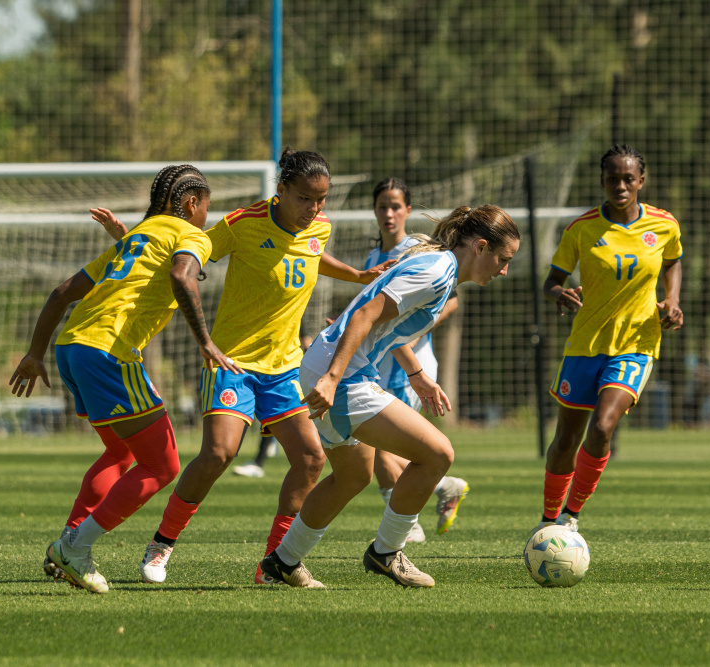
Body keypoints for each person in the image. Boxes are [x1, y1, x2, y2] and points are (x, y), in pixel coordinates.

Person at [92, 148, 393, 585]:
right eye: (306, 198)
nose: (315, 209)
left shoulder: (320, 228)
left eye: (321, 200)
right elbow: (188, 249)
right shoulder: (243, 223)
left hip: (286, 368)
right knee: (219, 453)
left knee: (310, 460)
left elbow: (310, 256)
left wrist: (357, 275)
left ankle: (274, 563)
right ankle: (161, 544)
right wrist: (131, 240)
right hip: (231, 361)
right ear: (282, 189)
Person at [260, 205, 520, 588]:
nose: (504, 270)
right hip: (340, 373)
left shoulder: (438, 266)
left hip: (330, 363)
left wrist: (416, 374)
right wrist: (333, 378)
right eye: (503, 259)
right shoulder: (436, 271)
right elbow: (366, 314)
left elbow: (386, 322)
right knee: (438, 454)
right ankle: (386, 552)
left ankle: (282, 562)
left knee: (351, 477)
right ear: (480, 247)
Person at [10, 164, 237, 594]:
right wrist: (205, 341)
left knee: (118, 451)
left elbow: (62, 294)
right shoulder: (193, 236)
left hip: (70, 348)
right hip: (108, 353)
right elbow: (179, 275)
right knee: (162, 464)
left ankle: (69, 541)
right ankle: (74, 548)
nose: (207, 216)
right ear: (192, 204)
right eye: (206, 207)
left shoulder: (136, 237)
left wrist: (34, 353)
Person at [529, 144, 683, 537]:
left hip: (636, 343)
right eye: (612, 178)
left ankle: (570, 516)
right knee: (565, 439)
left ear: (641, 182)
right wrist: (557, 293)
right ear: (602, 181)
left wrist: (672, 302)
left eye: (628, 178)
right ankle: (548, 522)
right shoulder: (581, 228)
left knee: (602, 427)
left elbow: (672, 260)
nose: (620, 185)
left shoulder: (664, 225)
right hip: (584, 345)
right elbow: (552, 281)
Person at [364, 177, 468, 542]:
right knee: (376, 447)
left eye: (396, 206)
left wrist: (416, 326)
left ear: (408, 210)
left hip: (411, 367)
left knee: (380, 448)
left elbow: (452, 299)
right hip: (379, 363)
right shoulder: (373, 257)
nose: (389, 213)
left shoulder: (417, 249)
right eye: (382, 206)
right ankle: (440, 490)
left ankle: (409, 522)